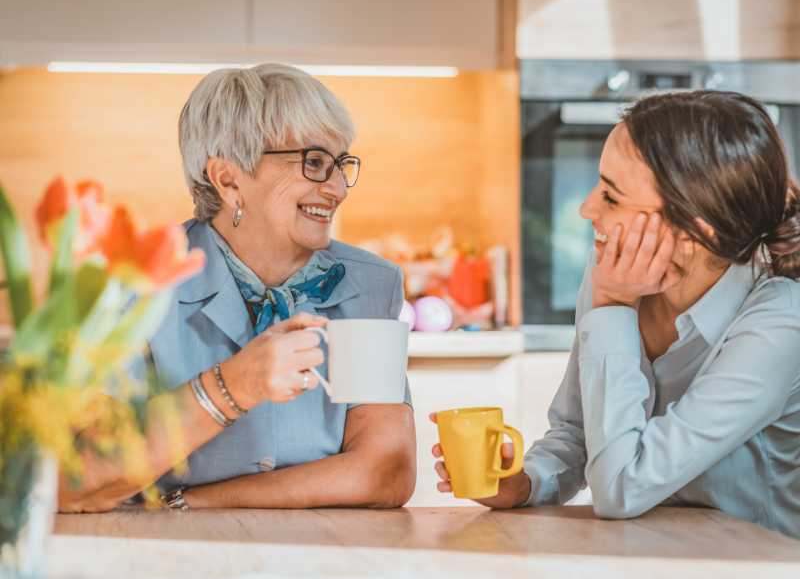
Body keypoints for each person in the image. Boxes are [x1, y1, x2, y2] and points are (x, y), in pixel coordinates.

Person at [432, 90, 800, 538]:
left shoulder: (780, 323)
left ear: (693, 230)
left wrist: (612, 307)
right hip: (644, 552)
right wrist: (523, 482)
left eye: (611, 196)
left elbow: (622, 486)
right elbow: (582, 434)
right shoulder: (615, 271)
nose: (586, 208)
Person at [59, 63, 416, 512]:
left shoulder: (370, 283)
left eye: (341, 164)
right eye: (315, 163)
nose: (338, 188)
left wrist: (195, 501)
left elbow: (386, 472)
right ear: (228, 181)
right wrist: (233, 386)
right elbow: (75, 481)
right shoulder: (131, 287)